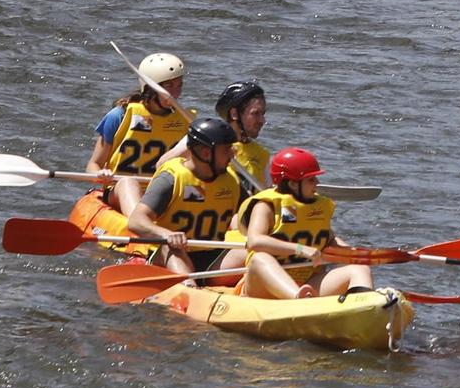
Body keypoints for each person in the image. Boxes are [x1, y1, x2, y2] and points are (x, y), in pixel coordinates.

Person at [234, 147, 375, 300]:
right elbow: (255, 241)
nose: (317, 183)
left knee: (360, 269)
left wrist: (351, 253)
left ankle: (364, 304)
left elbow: (329, 239)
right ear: (293, 184)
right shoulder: (266, 207)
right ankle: (297, 298)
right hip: (264, 285)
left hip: (307, 283)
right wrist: (300, 249)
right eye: (311, 180)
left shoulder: (318, 207)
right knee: (260, 258)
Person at [124, 115, 243, 279]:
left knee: (255, 254)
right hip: (172, 254)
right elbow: (136, 221)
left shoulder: (231, 181)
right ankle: (189, 289)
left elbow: (250, 214)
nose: (232, 154)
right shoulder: (170, 178)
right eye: (226, 149)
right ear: (206, 153)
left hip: (212, 259)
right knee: (171, 248)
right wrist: (165, 234)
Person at [87, 51, 193, 217]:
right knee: (128, 182)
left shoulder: (185, 122)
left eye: (179, 85)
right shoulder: (119, 116)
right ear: (150, 88)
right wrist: (100, 174)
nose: (176, 93)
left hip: (160, 194)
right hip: (120, 191)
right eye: (169, 87)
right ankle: (140, 224)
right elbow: (93, 165)